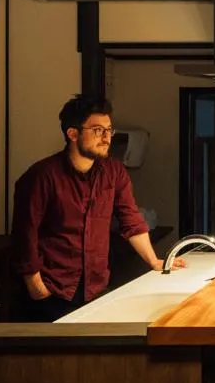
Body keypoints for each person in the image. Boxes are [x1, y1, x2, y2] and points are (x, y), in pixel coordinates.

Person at [11, 94, 182, 322]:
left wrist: (153, 260)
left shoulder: (113, 171)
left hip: (95, 285)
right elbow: (25, 232)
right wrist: (35, 285)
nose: (106, 137)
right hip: (53, 288)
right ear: (73, 134)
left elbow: (130, 218)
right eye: (97, 130)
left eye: (108, 130)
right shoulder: (42, 176)